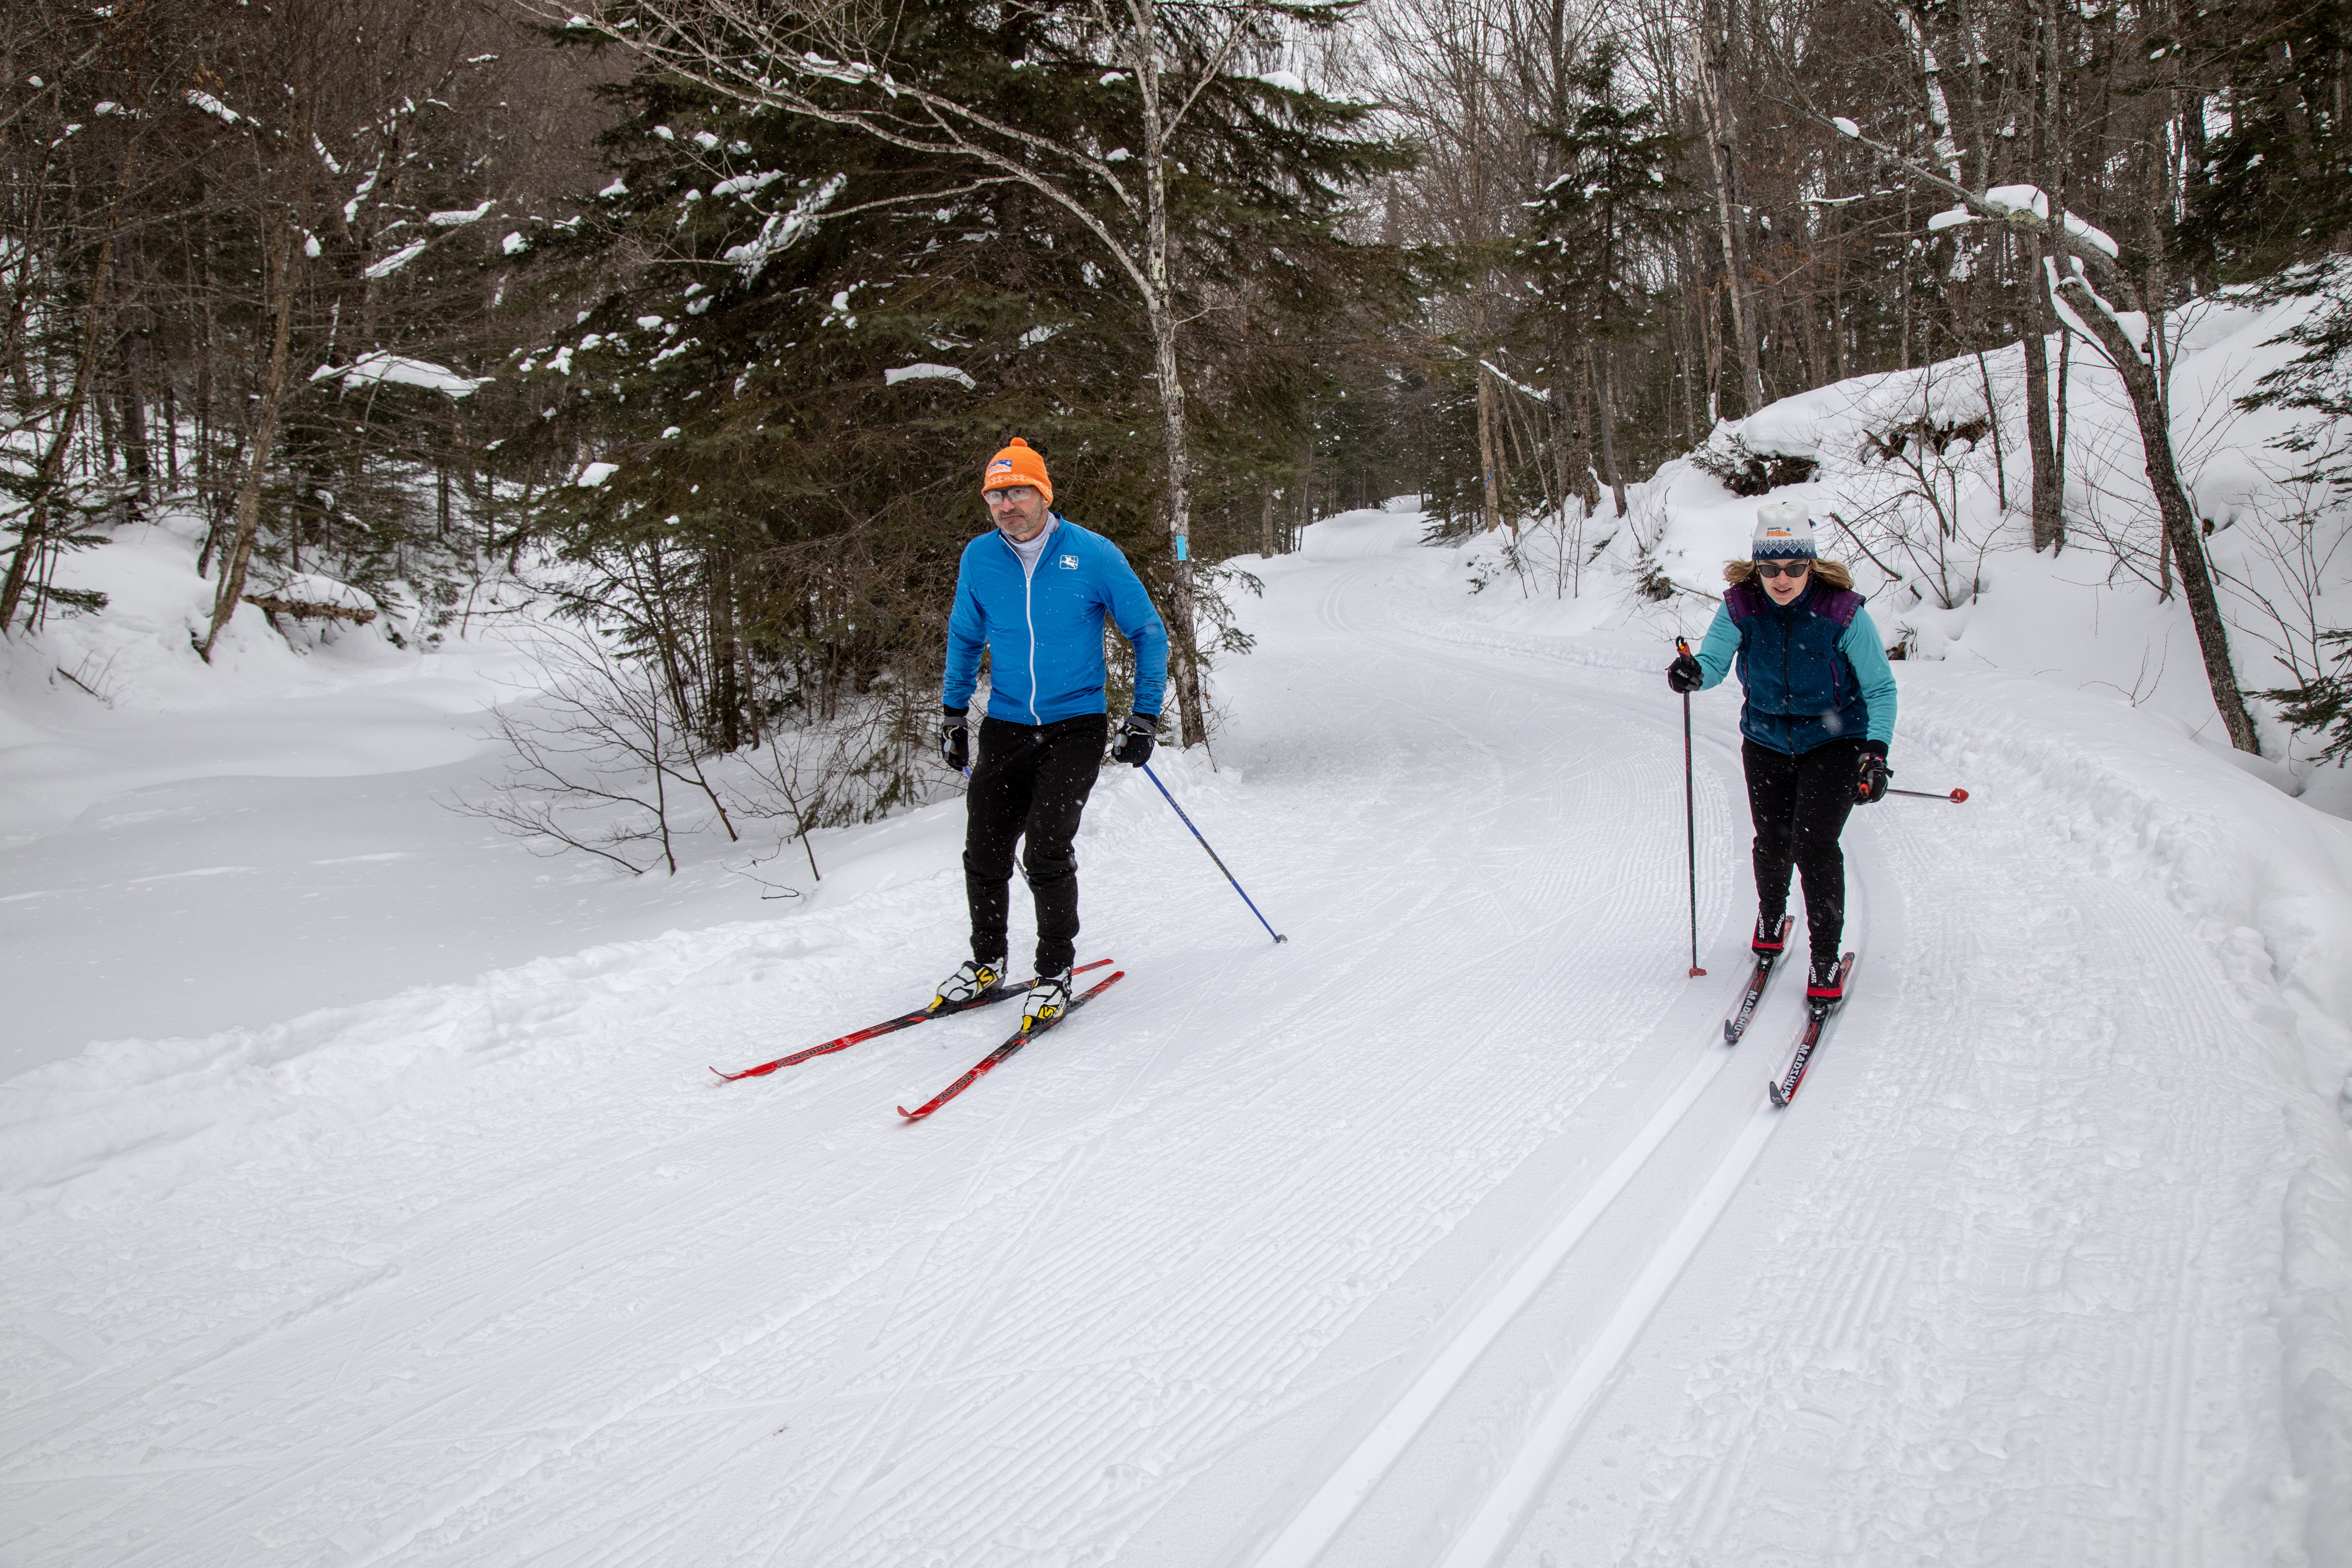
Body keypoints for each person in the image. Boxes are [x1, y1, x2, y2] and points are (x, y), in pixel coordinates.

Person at [935, 438, 1169, 1027]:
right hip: (1008, 724)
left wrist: (1143, 715)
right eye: (995, 495)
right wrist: (952, 713)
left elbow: (1147, 631)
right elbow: (965, 637)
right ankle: (987, 962)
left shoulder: (1093, 555)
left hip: (1075, 726)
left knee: (1044, 851)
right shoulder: (979, 558)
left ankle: (1053, 971)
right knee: (984, 852)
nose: (1006, 506)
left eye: (1018, 492)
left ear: (1044, 494)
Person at [1666, 501, 1897, 1002]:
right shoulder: (1742, 607)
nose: (1783, 579)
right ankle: (1772, 914)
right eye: (1771, 568)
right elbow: (1712, 662)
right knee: (1772, 839)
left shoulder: (1843, 613)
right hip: (1768, 739)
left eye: (1794, 567)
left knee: (1813, 846)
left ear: (1810, 564)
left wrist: (1874, 755)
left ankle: (1824, 961)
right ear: (1758, 566)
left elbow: (1881, 689)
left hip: (1835, 741)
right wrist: (1693, 674)